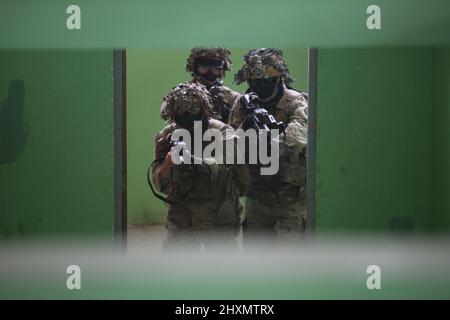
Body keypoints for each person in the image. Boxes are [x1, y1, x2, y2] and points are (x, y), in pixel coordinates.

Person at [151, 82, 248, 252]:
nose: (188, 119)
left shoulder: (223, 132)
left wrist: (193, 160)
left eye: (193, 113)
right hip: (183, 219)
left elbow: (225, 167)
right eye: (182, 114)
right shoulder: (167, 135)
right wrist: (168, 164)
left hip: (217, 216)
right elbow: (159, 183)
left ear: (203, 110)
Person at [230, 48, 308, 246]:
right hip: (258, 197)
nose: (260, 86)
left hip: (291, 198)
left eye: (266, 81)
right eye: (255, 82)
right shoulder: (244, 104)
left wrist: (264, 138)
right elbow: (229, 148)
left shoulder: (296, 102)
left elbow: (295, 141)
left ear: (279, 78)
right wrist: (243, 130)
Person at [160, 47, 240, 123]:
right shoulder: (181, 92)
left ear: (222, 70)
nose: (209, 73)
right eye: (204, 67)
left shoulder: (231, 96)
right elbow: (164, 113)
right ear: (194, 68)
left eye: (215, 68)